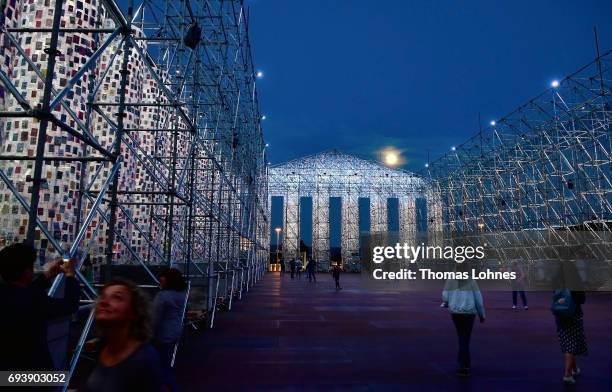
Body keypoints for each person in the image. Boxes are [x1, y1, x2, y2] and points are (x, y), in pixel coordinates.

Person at [0, 242, 80, 371]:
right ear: (27, 271)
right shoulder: (33, 299)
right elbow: (70, 305)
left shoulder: (8, 294)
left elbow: (22, 294)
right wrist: (70, 275)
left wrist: (48, 275)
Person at [85, 278, 166, 392]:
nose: (103, 302)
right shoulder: (102, 346)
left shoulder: (145, 360)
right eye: (103, 296)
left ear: (134, 312)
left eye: (117, 297)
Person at [442, 276, 486, 377]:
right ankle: (464, 365)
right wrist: (482, 314)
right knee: (465, 338)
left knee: (461, 337)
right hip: (469, 312)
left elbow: (445, 296)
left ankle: (463, 362)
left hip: (455, 312)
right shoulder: (471, 281)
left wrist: (449, 303)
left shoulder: (450, 280)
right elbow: (478, 298)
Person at [153, 268, 187, 391]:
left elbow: (155, 318)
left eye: (162, 278)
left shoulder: (163, 296)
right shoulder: (180, 294)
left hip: (162, 334)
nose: (160, 281)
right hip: (175, 332)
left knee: (160, 367)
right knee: (166, 365)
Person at [554, 290, 587, 385]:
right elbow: (582, 299)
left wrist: (562, 300)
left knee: (568, 341)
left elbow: (555, 296)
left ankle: (574, 368)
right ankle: (567, 374)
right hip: (573, 315)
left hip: (560, 314)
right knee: (571, 344)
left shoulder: (557, 278)